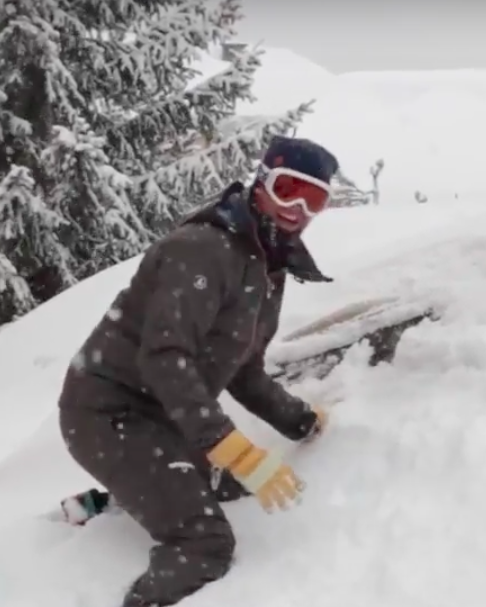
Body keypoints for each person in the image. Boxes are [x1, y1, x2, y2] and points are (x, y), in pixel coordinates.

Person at [57, 135, 339, 607]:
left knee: (229, 485)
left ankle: (102, 504)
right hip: (108, 414)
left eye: (315, 199)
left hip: (166, 420)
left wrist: (301, 420)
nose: (297, 208)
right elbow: (164, 357)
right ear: (262, 181)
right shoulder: (203, 250)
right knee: (204, 544)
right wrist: (227, 444)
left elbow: (243, 371)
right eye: (289, 188)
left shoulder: (268, 267)